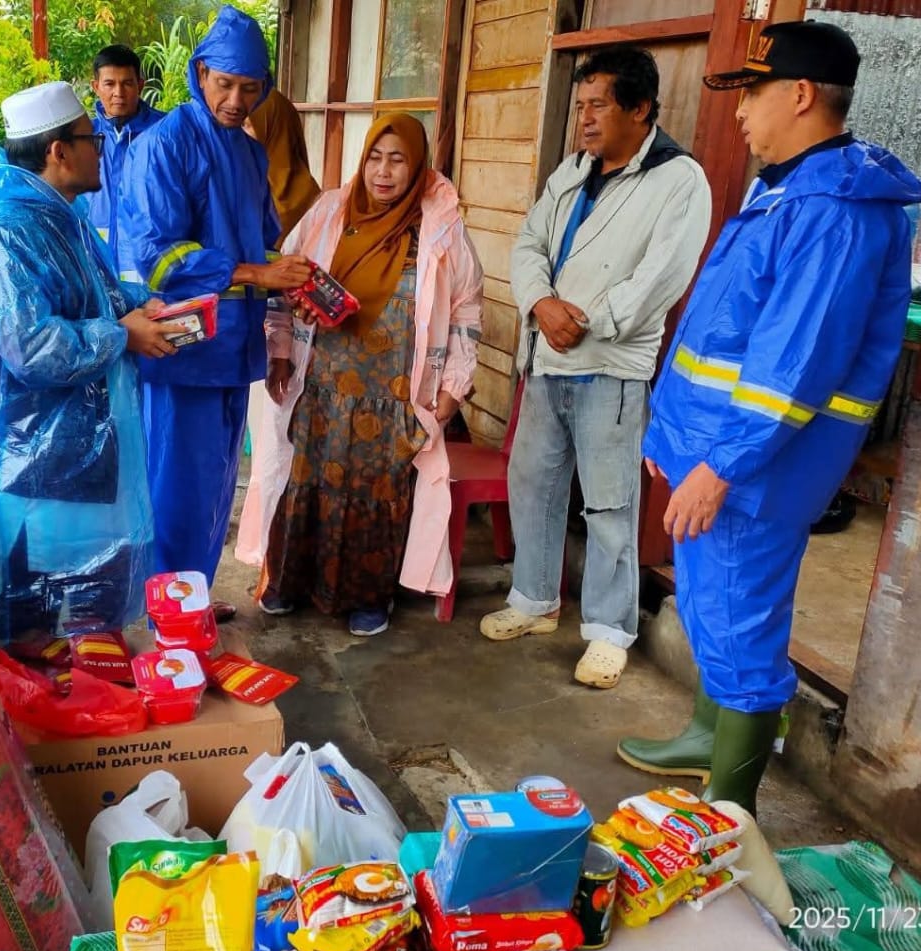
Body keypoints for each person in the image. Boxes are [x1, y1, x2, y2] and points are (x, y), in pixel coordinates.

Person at [619, 21, 921, 815]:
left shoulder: (834, 208)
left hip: (754, 466)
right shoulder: (793, 184)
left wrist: (719, 467)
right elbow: (729, 333)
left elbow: (794, 368)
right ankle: (705, 736)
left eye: (751, 93)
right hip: (722, 450)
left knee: (740, 620)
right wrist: (676, 440)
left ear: (799, 94)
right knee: (711, 602)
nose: (741, 112)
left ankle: (731, 812)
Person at [479, 47, 711, 688]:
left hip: (609, 362)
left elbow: (661, 277)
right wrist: (540, 303)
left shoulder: (679, 179)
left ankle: (610, 631)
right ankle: (534, 598)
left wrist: (585, 321)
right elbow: (528, 243)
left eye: (597, 105)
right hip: (546, 356)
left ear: (639, 108)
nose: (583, 119)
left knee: (610, 503)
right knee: (533, 483)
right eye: (579, 106)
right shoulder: (572, 171)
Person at [0, 81, 182, 642]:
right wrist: (121, 336)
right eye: (91, 138)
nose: (101, 147)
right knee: (30, 611)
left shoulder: (58, 220)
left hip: (71, 455)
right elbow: (35, 349)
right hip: (23, 468)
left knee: (84, 610)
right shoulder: (5, 238)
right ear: (58, 151)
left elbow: (92, 295)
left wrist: (145, 308)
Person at [237, 114, 481, 637]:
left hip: (392, 393)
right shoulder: (329, 212)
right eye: (376, 157)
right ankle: (288, 581)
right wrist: (279, 350)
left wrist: (454, 387)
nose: (384, 172)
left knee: (377, 487)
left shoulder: (438, 229)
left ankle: (368, 596)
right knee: (305, 477)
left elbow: (465, 310)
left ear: (416, 167)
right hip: (320, 384)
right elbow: (284, 282)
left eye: (398, 160)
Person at [118, 7, 312, 619]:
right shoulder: (164, 144)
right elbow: (157, 255)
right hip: (182, 348)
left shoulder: (250, 153)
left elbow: (261, 238)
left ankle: (191, 597)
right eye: (225, 83)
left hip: (234, 347)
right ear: (200, 73)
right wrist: (256, 272)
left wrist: (297, 275)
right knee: (175, 484)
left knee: (214, 486)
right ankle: (164, 608)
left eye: (250, 88)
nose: (236, 99)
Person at [234, 87, 322, 568]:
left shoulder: (314, 204)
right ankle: (266, 549)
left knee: (285, 446)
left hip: (296, 341)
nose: (242, 136)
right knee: (266, 448)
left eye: (251, 126)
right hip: (250, 336)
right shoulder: (240, 194)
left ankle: (281, 554)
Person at [82, 44, 164, 279]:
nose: (119, 92)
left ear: (141, 85)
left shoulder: (164, 133)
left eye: (127, 83)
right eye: (109, 84)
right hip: (96, 267)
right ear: (96, 86)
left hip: (151, 267)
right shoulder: (83, 136)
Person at [244, 89, 321, 242]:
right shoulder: (241, 181)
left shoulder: (312, 204)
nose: (239, 134)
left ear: (273, 127)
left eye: (246, 125)